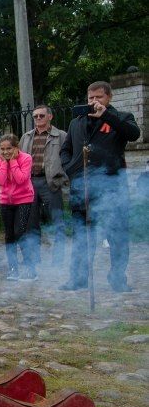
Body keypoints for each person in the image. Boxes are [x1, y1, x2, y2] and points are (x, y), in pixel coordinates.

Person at [59, 81, 141, 292]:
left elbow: (134, 134)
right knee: (81, 236)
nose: (94, 101)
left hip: (111, 188)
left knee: (117, 236)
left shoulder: (121, 117)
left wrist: (106, 115)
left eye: (99, 97)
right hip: (82, 188)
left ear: (109, 98)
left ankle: (117, 279)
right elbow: (65, 149)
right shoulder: (77, 122)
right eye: (91, 98)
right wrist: (70, 168)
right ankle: (78, 278)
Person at [19, 105, 69, 267]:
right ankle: (34, 258)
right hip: (30, 183)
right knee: (31, 222)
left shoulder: (61, 136)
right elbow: (19, 158)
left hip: (51, 183)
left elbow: (68, 158)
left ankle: (58, 260)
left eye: (41, 115)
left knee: (57, 221)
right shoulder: (26, 137)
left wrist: (63, 178)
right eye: (35, 116)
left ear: (50, 117)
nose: (38, 118)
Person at [0, 134, 39, 281]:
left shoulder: (26, 158)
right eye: (2, 149)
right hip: (5, 201)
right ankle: (13, 269)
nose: (5, 152)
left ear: (16, 147)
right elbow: (0, 181)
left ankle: (31, 268)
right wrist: (4, 163)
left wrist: (13, 162)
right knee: (9, 235)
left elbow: (21, 179)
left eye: (9, 148)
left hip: (24, 199)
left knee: (20, 232)